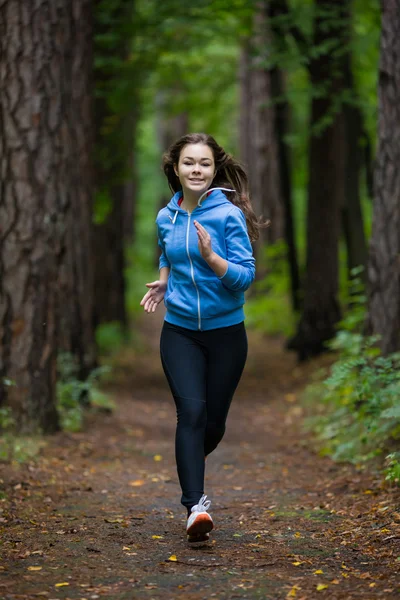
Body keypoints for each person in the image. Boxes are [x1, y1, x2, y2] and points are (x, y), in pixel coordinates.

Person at [140, 132, 259, 544]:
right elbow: (166, 251)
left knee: (213, 424)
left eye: (204, 163)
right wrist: (163, 281)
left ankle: (188, 464)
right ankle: (196, 507)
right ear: (176, 168)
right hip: (180, 332)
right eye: (189, 162)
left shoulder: (228, 216)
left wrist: (213, 259)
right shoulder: (165, 216)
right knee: (190, 415)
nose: (196, 169)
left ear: (214, 169)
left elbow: (244, 277)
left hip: (227, 333)